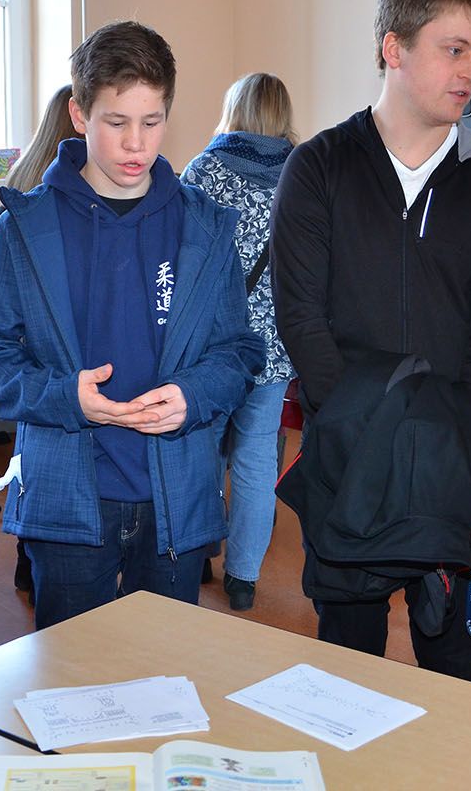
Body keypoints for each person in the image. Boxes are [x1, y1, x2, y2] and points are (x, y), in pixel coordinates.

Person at [271, 0, 471, 682]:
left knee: (454, 663)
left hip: (458, 467)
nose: (470, 72)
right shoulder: (319, 169)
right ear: (394, 48)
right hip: (349, 461)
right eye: (454, 49)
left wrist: (441, 442)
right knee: (346, 671)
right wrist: (371, 431)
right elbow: (302, 317)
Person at [0, 20, 263, 630]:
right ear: (78, 115)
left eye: (152, 123)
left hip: (174, 498)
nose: (136, 145)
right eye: (116, 123)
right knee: (71, 689)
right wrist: (64, 396)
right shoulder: (26, 226)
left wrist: (192, 395)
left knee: (163, 680)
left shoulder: (204, 227)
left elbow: (239, 350)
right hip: (68, 498)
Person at [181, 73, 298, 611]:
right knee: (255, 460)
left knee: (201, 453)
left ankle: (198, 549)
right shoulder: (303, 173)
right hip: (273, 348)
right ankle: (244, 576)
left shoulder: (204, 171)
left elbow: (178, 261)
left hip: (212, 347)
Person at [0, 82, 77, 601]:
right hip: (44, 359)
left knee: (31, 456)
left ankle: (25, 563)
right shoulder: (42, 202)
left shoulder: (18, 180)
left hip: (25, 359)